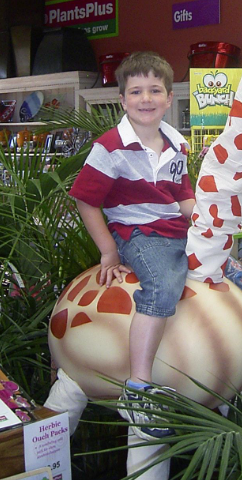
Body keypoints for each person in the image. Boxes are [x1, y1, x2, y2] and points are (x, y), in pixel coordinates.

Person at [69, 51, 195, 440]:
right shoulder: (110, 146)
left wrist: (205, 225)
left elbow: (182, 193)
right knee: (161, 285)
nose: (146, 98)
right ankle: (138, 385)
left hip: (176, 228)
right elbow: (85, 199)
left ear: (169, 98)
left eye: (154, 90)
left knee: (235, 273)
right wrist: (108, 250)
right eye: (136, 91)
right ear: (122, 100)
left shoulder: (177, 143)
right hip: (137, 233)